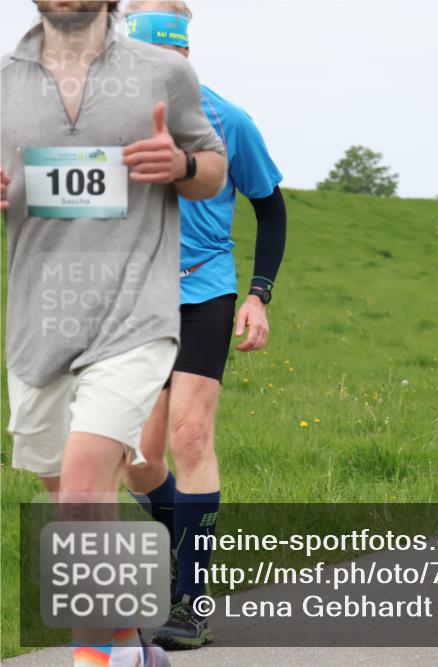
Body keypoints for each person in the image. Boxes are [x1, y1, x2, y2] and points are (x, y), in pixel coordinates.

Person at [1, 2, 227, 666]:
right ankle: (132, 648)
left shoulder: (163, 75)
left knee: (81, 489)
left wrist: (182, 165)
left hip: (136, 316)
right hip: (39, 326)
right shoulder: (6, 82)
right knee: (70, 494)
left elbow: (213, 170)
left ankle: (95, 658)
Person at [121, 0, 287, 650]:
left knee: (191, 438)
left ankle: (192, 601)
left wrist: (259, 295)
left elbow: (270, 210)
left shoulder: (228, 119)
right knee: (138, 460)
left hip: (204, 291)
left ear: (186, 54)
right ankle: (187, 540)